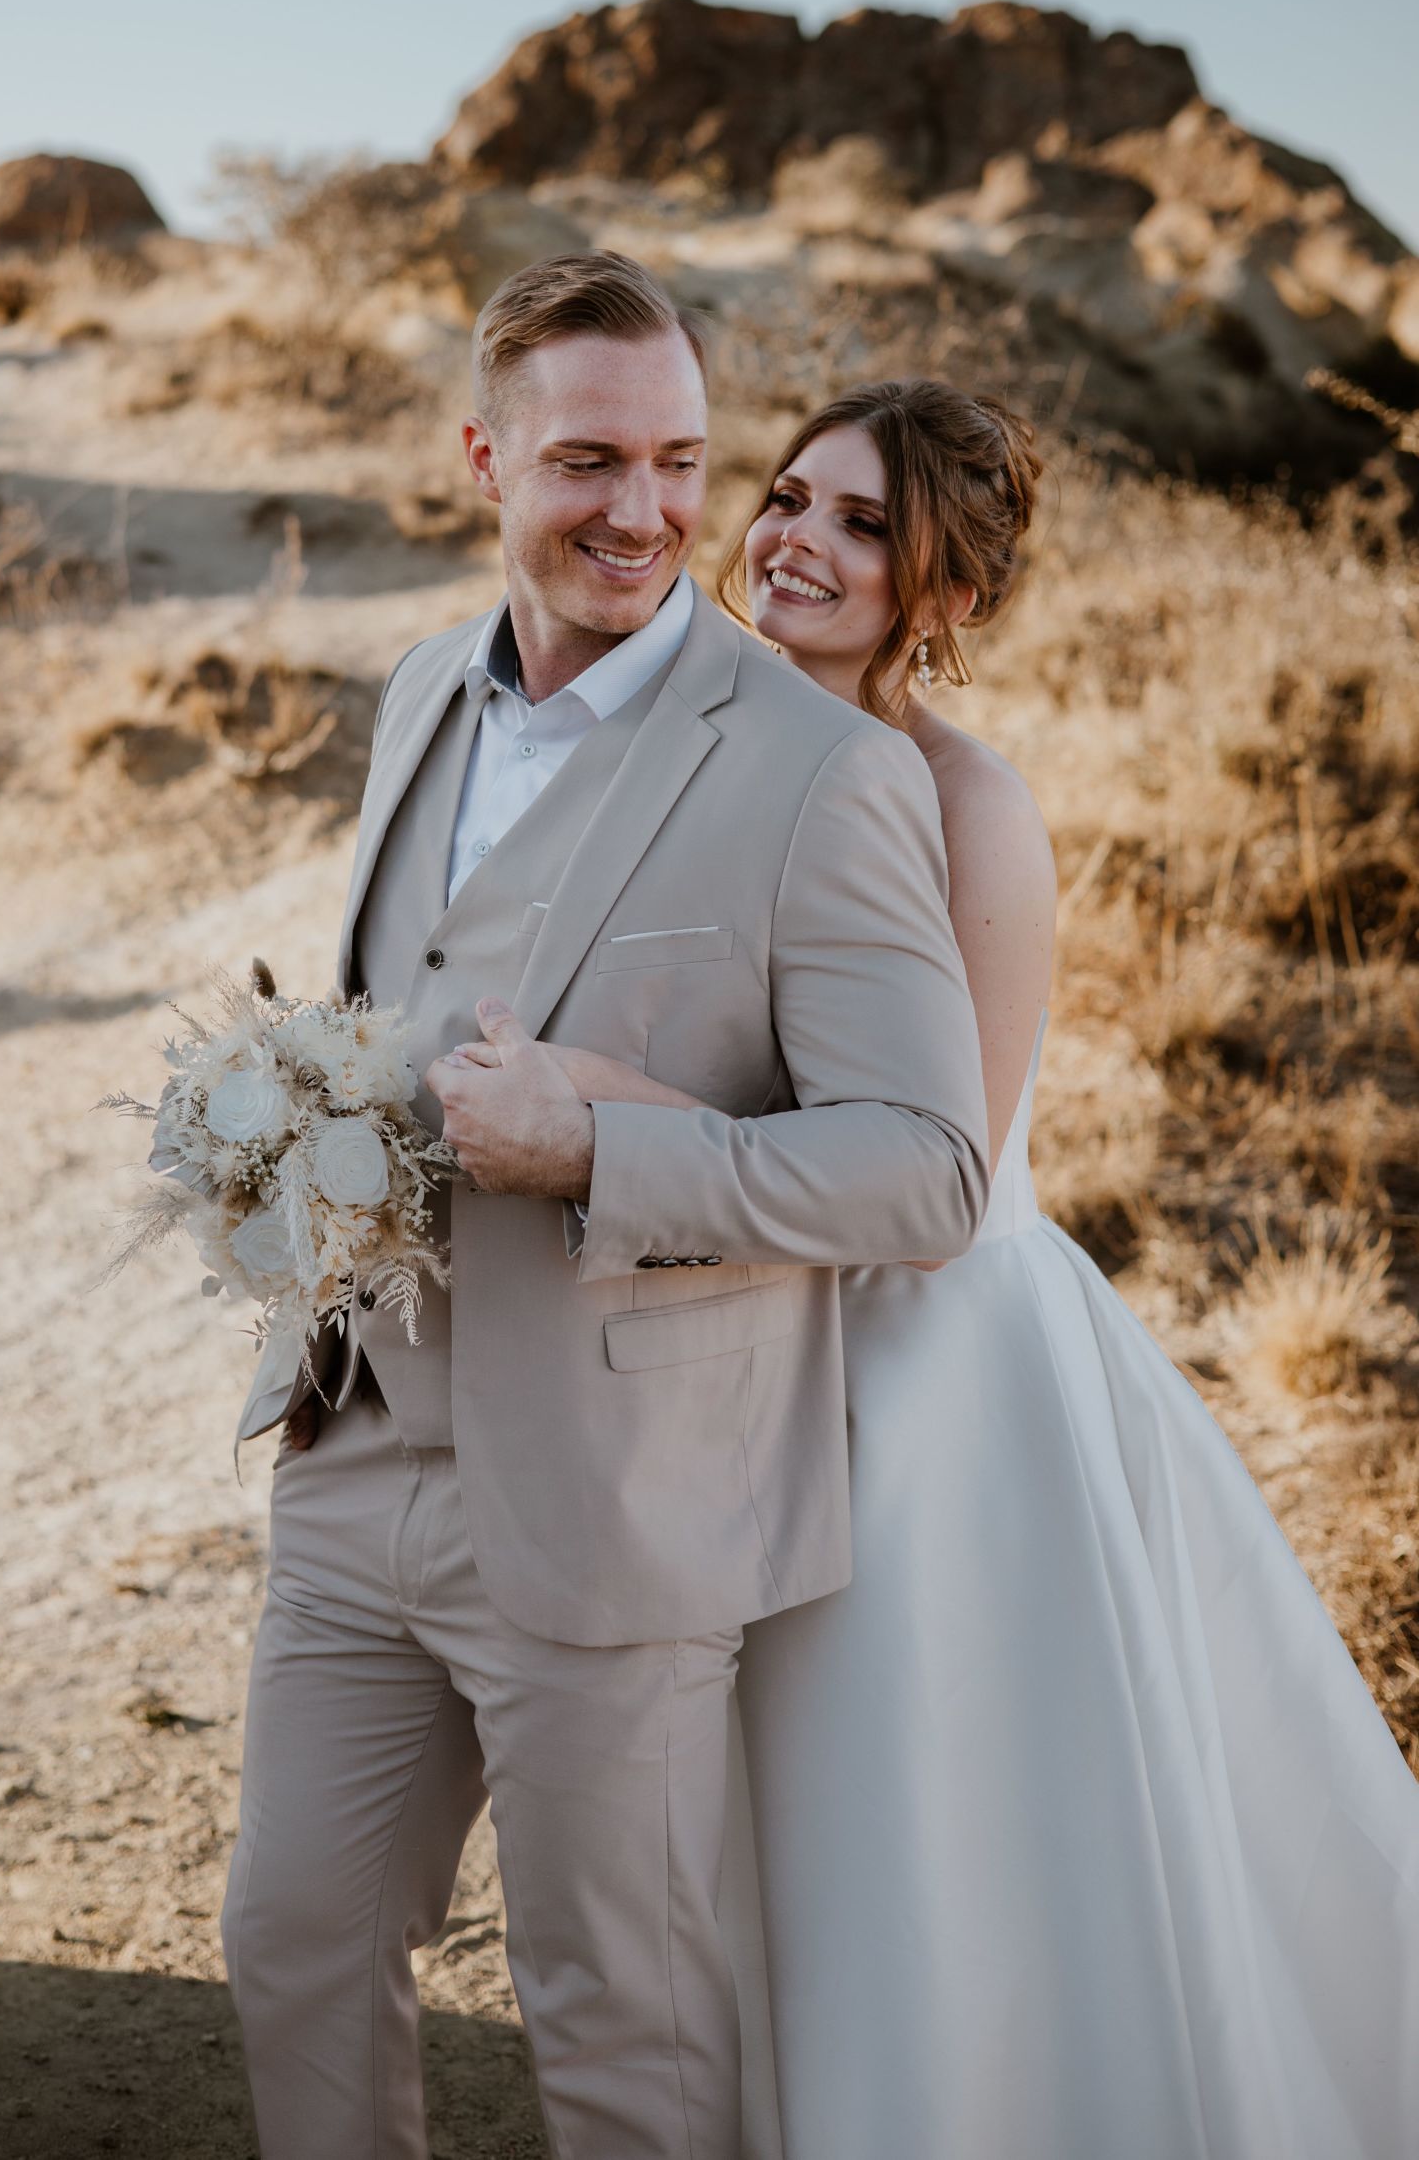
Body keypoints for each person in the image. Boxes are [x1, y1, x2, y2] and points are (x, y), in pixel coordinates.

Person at [464, 378, 1419, 2160]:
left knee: (916, 1806)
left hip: (931, 1374)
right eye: (789, 497)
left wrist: (596, 1107)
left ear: (948, 595)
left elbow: (942, 1175)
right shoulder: (682, 752)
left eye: (863, 525)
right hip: (729, 1334)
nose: (796, 542)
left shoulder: (967, 804)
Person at [219, 259, 991, 2159]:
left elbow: (929, 1165)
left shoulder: (825, 772)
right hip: (358, 1451)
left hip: (622, 1501)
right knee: (294, 1944)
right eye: (587, 462)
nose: (644, 513)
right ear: (485, 459)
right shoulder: (421, 691)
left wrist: (595, 1154)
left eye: (679, 461)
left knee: (619, 2038)